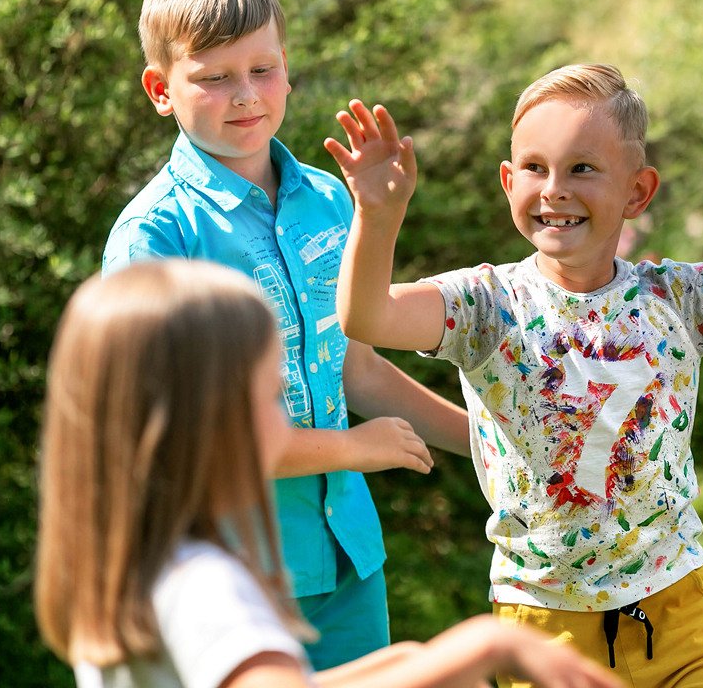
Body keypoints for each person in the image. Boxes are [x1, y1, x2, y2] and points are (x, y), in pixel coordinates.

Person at [323, 63, 703, 686]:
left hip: (680, 610)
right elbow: (367, 316)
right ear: (509, 182)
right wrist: (377, 212)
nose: (555, 189)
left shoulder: (682, 297)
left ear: (637, 192)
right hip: (542, 627)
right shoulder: (486, 306)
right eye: (535, 168)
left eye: (582, 169)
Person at [101, 0, 470, 669]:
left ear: (287, 69)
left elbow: (353, 367)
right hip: (229, 576)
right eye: (213, 77)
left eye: (262, 69)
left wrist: (489, 447)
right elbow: (185, 438)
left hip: (347, 561)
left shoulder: (331, 200)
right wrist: (356, 449)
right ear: (160, 89)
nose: (245, 96)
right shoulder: (155, 238)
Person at [34, 259, 627, 688]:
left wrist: (411, 661)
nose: (287, 415)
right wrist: (485, 644)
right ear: (205, 421)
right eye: (271, 396)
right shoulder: (203, 585)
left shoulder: (143, 567)